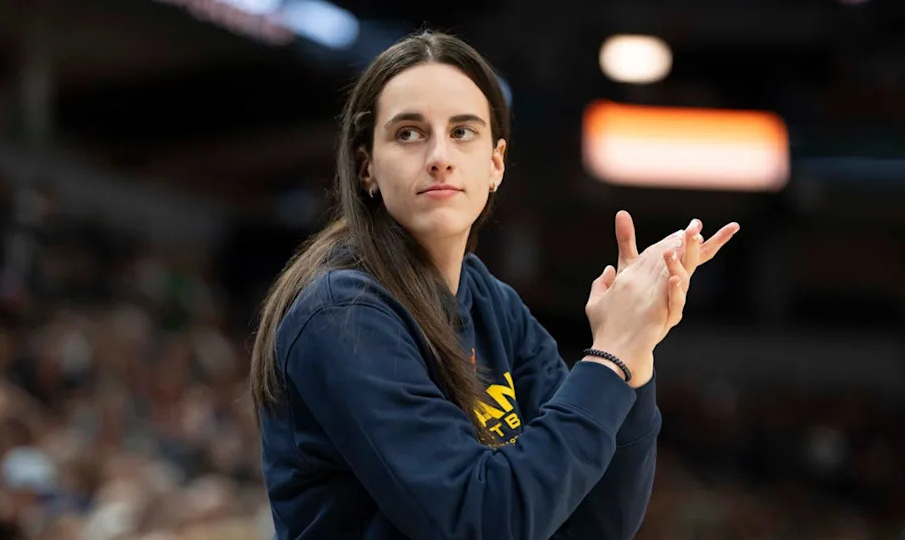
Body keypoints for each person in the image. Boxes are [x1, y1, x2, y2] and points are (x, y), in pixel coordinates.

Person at [249, 30, 739, 540]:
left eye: (463, 132)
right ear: (366, 167)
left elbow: (599, 522)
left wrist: (636, 353)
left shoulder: (492, 304)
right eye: (409, 133)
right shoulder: (341, 315)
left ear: (495, 164)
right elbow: (482, 523)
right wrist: (609, 354)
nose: (440, 155)